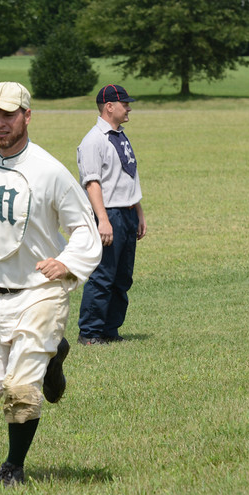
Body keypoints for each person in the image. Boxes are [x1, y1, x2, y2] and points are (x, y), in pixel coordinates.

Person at [0, 82, 102, 488]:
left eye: (9, 115)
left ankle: (12, 468)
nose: (0, 123)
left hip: (40, 293)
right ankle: (54, 354)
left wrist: (65, 262)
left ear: (27, 116)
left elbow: (85, 229)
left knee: (20, 388)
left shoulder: (49, 170)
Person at [76, 84, 147, 345]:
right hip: (109, 215)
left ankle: (110, 330)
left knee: (122, 276)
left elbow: (128, 176)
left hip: (127, 214)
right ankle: (90, 333)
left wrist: (138, 212)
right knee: (103, 275)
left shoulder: (121, 136)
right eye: (124, 103)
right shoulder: (94, 140)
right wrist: (103, 219)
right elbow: (92, 183)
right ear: (109, 107)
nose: (129, 107)